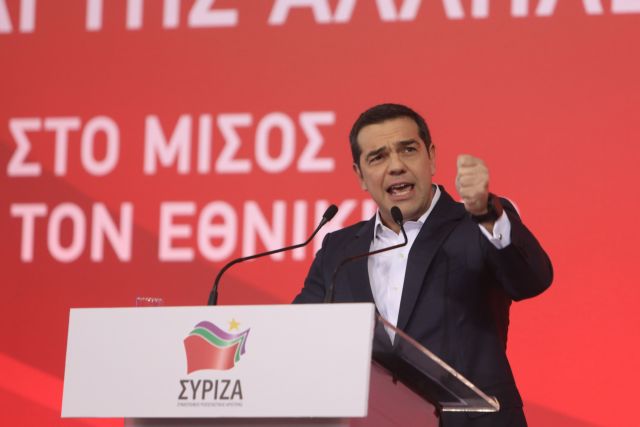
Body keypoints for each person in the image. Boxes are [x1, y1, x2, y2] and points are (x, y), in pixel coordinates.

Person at [293, 103, 553, 426]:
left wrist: (487, 212)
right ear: (360, 175)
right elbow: (297, 336)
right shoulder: (339, 250)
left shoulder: (478, 224)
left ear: (431, 157)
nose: (396, 166)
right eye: (378, 157)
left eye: (408, 150)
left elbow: (532, 279)